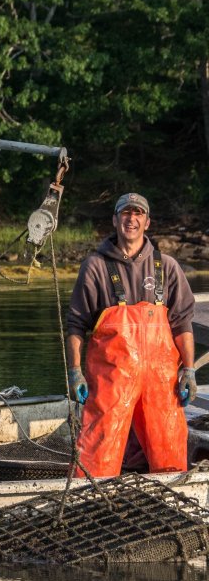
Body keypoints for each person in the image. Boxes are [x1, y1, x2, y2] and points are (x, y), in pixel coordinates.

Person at [65, 192, 196, 477]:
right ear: (115, 220)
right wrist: (74, 371)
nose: (131, 219)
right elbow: (76, 325)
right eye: (126, 213)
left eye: (138, 214)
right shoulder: (95, 267)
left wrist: (189, 369)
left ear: (147, 222)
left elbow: (182, 325)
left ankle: (169, 504)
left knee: (170, 448)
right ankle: (89, 504)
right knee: (98, 451)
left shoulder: (167, 266)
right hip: (111, 380)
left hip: (162, 382)